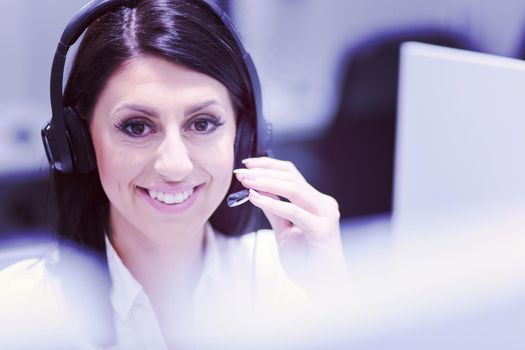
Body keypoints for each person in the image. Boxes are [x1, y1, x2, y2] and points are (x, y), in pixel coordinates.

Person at [0, 0, 347, 349]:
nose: (175, 166)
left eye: (202, 123)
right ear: (78, 142)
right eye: (137, 127)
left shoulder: (286, 281)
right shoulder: (22, 312)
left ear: (243, 136)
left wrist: (330, 301)